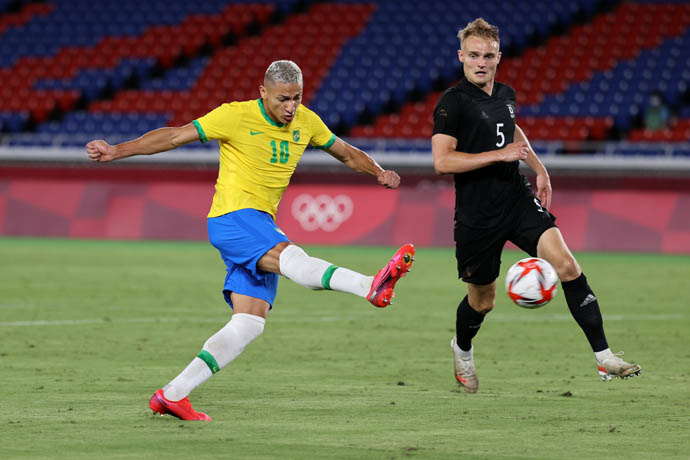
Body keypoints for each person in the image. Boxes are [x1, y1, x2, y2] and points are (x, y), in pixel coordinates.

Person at [86, 60, 415, 419]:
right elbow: (174, 135)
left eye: (297, 98)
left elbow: (347, 153)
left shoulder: (307, 120)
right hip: (233, 217)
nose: (291, 107)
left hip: (258, 222)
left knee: (249, 322)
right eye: (283, 99)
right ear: (263, 93)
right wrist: (118, 150)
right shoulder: (235, 116)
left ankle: (173, 394)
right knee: (294, 260)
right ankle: (369, 285)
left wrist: (378, 172)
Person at [431, 18, 641, 393]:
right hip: (477, 215)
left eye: (489, 56)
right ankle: (461, 349)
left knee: (568, 266)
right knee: (482, 302)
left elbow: (510, 129)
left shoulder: (506, 94)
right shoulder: (452, 103)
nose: (481, 62)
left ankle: (605, 358)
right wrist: (499, 156)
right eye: (474, 55)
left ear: (499, 57)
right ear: (461, 56)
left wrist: (537, 167)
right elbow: (442, 161)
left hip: (516, 198)